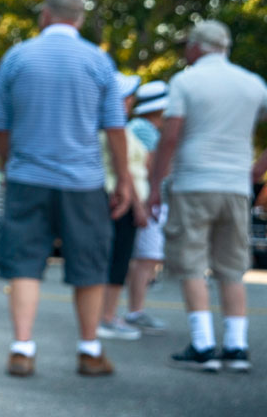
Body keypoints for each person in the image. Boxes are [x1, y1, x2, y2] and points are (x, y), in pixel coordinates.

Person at [0, 0, 134, 378]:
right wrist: (124, 180)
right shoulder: (99, 62)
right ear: (80, 20)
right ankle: (89, 349)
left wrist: (8, 165)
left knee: (25, 264)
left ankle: (22, 348)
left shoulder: (16, 58)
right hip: (83, 182)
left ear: (44, 15)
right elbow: (115, 128)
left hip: (27, 177)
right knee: (89, 265)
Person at [148, 20, 267, 372]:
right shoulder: (252, 84)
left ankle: (202, 343)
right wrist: (258, 170)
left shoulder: (185, 82)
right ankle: (236, 345)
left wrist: (155, 185)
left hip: (193, 183)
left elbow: (170, 138)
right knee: (232, 267)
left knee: (192, 264)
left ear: (197, 48)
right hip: (235, 186)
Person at [97, 74, 149, 340]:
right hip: (121, 201)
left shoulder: (121, 128)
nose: (131, 101)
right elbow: (124, 170)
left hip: (122, 199)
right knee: (117, 260)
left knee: (118, 259)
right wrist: (138, 206)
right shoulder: (113, 130)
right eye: (127, 96)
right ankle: (106, 317)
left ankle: (107, 314)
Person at [123, 80, 171, 334]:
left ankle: (135, 309)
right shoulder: (144, 130)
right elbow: (153, 168)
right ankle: (135, 311)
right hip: (148, 201)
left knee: (145, 257)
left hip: (147, 200)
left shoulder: (142, 127)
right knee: (146, 257)